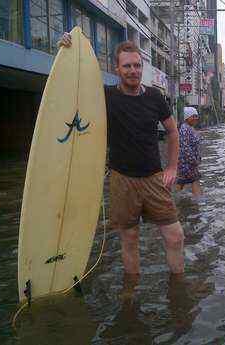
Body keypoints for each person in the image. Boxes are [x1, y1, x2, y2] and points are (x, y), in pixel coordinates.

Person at [58, 34, 185, 276]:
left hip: (153, 178)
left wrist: (172, 168)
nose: (133, 70)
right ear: (117, 68)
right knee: (130, 240)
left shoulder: (155, 97)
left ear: (142, 68)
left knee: (175, 236)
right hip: (122, 179)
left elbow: (172, 131)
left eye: (137, 65)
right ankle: (130, 296)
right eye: (127, 66)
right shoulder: (105, 96)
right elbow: (71, 86)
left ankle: (178, 287)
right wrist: (67, 51)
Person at [176, 107, 202, 197]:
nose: (196, 118)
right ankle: (198, 200)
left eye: (196, 116)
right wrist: (193, 161)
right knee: (194, 180)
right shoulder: (185, 129)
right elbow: (185, 147)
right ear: (187, 117)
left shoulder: (189, 128)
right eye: (193, 116)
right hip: (187, 162)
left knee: (181, 181)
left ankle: (175, 199)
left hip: (187, 162)